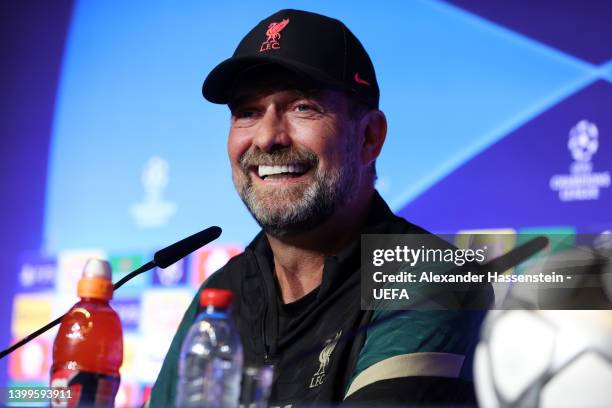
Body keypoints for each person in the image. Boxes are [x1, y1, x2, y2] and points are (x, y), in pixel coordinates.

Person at [149, 9, 491, 407]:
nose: (267, 137)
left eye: (302, 107)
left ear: (369, 137)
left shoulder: (429, 277)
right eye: (247, 112)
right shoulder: (222, 293)